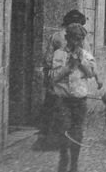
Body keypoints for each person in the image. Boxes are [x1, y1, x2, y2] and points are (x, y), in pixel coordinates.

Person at [36, 10, 102, 151]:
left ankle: (49, 142)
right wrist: (95, 77)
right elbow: (90, 63)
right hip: (75, 81)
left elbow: (47, 60)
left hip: (58, 80)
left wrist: (50, 75)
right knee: (74, 118)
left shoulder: (55, 36)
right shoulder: (82, 38)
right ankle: (69, 145)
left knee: (52, 110)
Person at [51, 23, 97, 172]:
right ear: (67, 38)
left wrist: (81, 62)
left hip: (79, 100)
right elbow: (53, 77)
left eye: (80, 39)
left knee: (77, 131)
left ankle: (74, 164)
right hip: (63, 99)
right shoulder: (58, 54)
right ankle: (64, 157)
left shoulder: (86, 55)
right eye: (74, 39)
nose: (77, 42)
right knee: (64, 129)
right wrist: (69, 67)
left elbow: (91, 73)